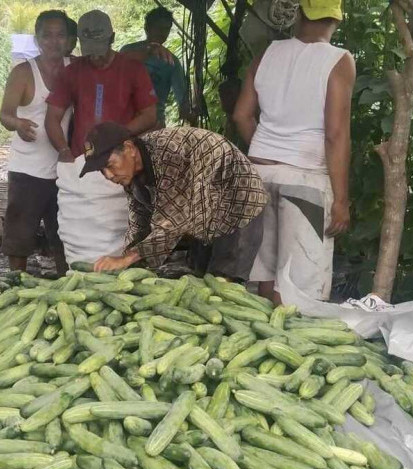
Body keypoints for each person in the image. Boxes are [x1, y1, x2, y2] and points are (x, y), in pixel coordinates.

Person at [233, 0, 355, 303]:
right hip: (305, 179)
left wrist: (268, 150)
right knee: (298, 285)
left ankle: (262, 340)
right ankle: (286, 343)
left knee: (264, 271)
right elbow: (336, 134)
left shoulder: (267, 54)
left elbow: (240, 116)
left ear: (300, 13)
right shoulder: (339, 60)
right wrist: (341, 199)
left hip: (258, 173)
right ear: (335, 20)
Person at [79, 123, 268, 275]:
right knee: (199, 278)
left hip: (236, 202)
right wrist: (127, 263)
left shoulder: (169, 153)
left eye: (110, 165)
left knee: (223, 285)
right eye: (101, 171)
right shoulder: (132, 171)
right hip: (202, 210)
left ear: (129, 148)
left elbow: (173, 221)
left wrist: (127, 259)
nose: (109, 175)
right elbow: (140, 221)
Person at [45, 10, 157, 264]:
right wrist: (64, 152)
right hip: (83, 163)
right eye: (89, 50)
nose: (95, 56)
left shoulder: (132, 69)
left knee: (125, 230)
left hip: (120, 160)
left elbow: (150, 115)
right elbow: (52, 118)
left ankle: (124, 271)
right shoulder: (72, 71)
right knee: (79, 234)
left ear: (113, 38)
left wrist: (118, 137)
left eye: (100, 48)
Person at [0, 10, 71, 276]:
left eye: (60, 35)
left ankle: (67, 284)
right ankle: (17, 285)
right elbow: (5, 114)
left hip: (64, 169)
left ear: (68, 38)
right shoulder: (23, 73)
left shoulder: (74, 68)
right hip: (27, 170)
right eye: (47, 35)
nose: (54, 41)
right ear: (37, 38)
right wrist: (17, 124)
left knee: (64, 236)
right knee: (19, 238)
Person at [120, 6, 190, 128]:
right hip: (126, 120)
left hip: (154, 125)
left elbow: (182, 102)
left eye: (166, 29)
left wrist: (189, 111)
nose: (162, 33)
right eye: (158, 28)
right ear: (147, 28)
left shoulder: (171, 62)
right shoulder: (128, 51)